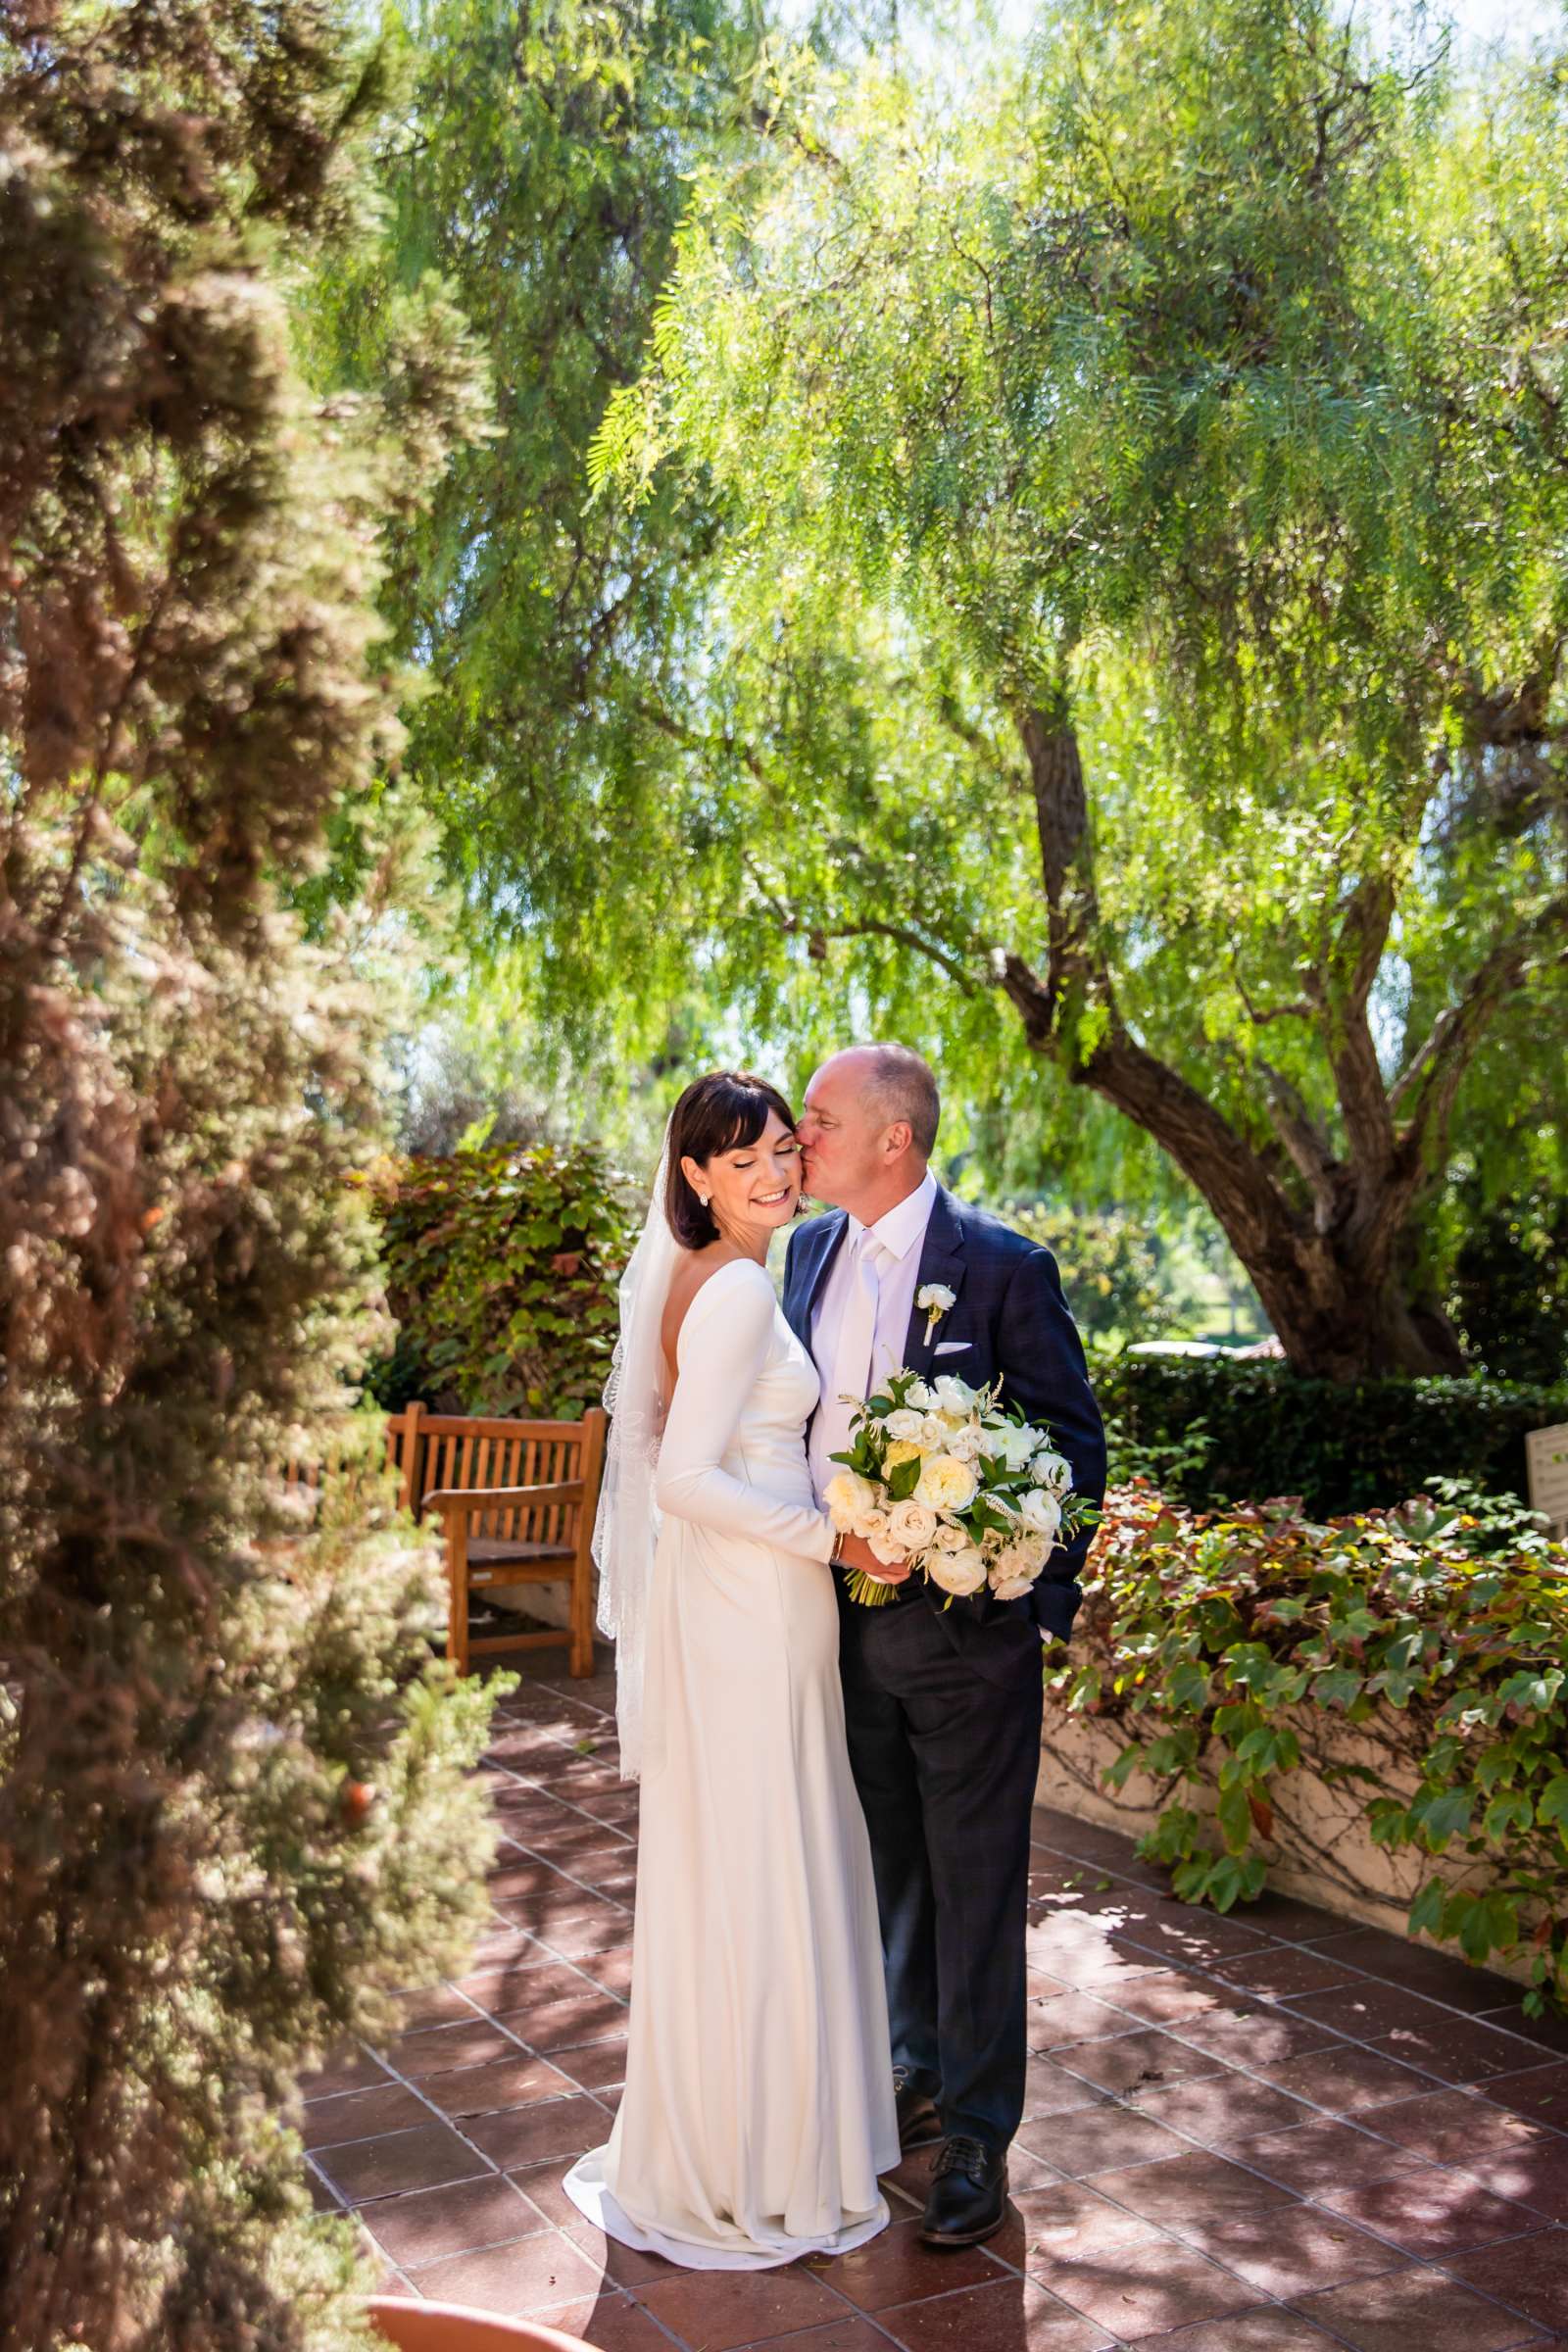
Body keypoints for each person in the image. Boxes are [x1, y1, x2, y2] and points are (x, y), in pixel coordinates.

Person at [563, 1071, 901, 2269]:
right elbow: (680, 1478)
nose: (772, 1173)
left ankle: (749, 2133)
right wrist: (831, 1537)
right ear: (695, 1177)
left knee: (760, 1855)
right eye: (740, 1158)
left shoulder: (722, 1278)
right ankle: (757, 2161)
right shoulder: (738, 1291)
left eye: (780, 1151)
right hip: (753, 1600)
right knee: (767, 1862)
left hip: (747, 1600)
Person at [784, 1043, 1106, 2249]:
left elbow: (1072, 1449)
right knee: (884, 1876)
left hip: (965, 1641)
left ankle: (978, 2133)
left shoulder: (1005, 1269)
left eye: (816, 1120)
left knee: (976, 1891)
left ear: (891, 1139)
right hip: (827, 1632)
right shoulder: (801, 1256)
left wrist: (1023, 1585)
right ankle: (910, 2077)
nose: (796, 1137)